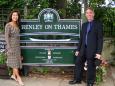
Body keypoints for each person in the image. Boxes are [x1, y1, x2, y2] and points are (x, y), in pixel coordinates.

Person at [69, 7, 103, 86]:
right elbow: (81, 38)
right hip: (83, 49)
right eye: (87, 13)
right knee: (78, 62)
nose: (89, 14)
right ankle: (77, 80)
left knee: (91, 66)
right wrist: (78, 50)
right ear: (86, 14)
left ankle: (90, 82)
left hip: (92, 49)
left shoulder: (98, 24)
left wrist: (98, 52)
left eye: (90, 12)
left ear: (93, 14)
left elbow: (100, 39)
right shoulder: (84, 25)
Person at [5, 10, 24, 86]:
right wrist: (9, 48)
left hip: (17, 46)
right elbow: (6, 37)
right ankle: (19, 78)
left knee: (15, 62)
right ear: (11, 16)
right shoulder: (8, 25)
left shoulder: (17, 24)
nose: (15, 16)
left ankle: (13, 75)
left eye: (16, 15)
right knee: (15, 63)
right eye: (14, 15)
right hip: (11, 46)